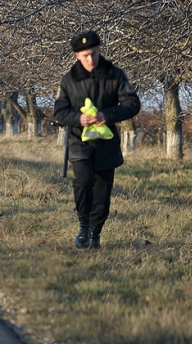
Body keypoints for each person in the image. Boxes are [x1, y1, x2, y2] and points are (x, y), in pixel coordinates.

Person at [53, 30, 140, 250]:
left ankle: (95, 233)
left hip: (106, 144)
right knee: (83, 181)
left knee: (102, 196)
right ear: (76, 56)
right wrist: (78, 119)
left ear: (99, 50)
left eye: (93, 53)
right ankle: (83, 225)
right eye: (85, 56)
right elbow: (59, 113)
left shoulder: (115, 75)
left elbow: (132, 104)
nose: (90, 59)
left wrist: (107, 116)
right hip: (78, 142)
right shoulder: (68, 80)